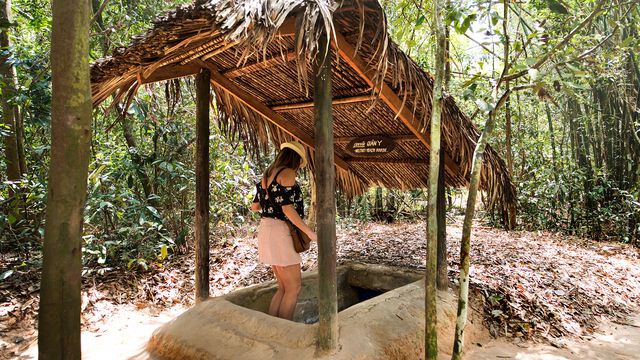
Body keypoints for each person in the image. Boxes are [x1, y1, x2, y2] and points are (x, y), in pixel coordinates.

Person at [250, 141, 317, 320]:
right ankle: (284, 330)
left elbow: (255, 206)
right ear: (295, 159)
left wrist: (271, 203)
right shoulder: (287, 173)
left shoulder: (267, 174)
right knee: (293, 288)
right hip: (280, 232)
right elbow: (288, 210)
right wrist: (309, 232)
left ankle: (272, 327)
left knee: (283, 288)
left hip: (266, 229)